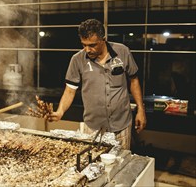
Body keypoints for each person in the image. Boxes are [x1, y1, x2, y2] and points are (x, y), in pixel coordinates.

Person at [46, 19, 147, 149]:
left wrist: (141, 110)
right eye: (84, 45)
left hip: (121, 124)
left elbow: (134, 80)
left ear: (103, 39)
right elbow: (70, 90)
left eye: (92, 45)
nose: (87, 49)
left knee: (120, 164)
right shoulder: (77, 60)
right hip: (93, 127)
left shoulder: (122, 52)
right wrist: (60, 112)